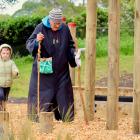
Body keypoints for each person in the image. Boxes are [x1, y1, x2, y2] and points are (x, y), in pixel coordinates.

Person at [26, 8, 81, 122]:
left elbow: (70, 46)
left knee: (64, 94)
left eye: (59, 23)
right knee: (43, 95)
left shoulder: (65, 29)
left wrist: (74, 57)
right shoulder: (40, 27)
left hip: (61, 69)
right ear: (49, 20)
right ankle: (37, 119)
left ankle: (67, 119)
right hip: (44, 68)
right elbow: (29, 44)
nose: (57, 26)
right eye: (55, 23)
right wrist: (37, 41)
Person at [0, 44, 19, 111]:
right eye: (4, 53)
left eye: (7, 53)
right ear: (0, 53)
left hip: (8, 84)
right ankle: (1, 108)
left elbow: (14, 69)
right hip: (0, 84)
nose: (5, 55)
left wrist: (16, 72)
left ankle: (3, 108)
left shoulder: (11, 62)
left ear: (10, 54)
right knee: (1, 95)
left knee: (5, 97)